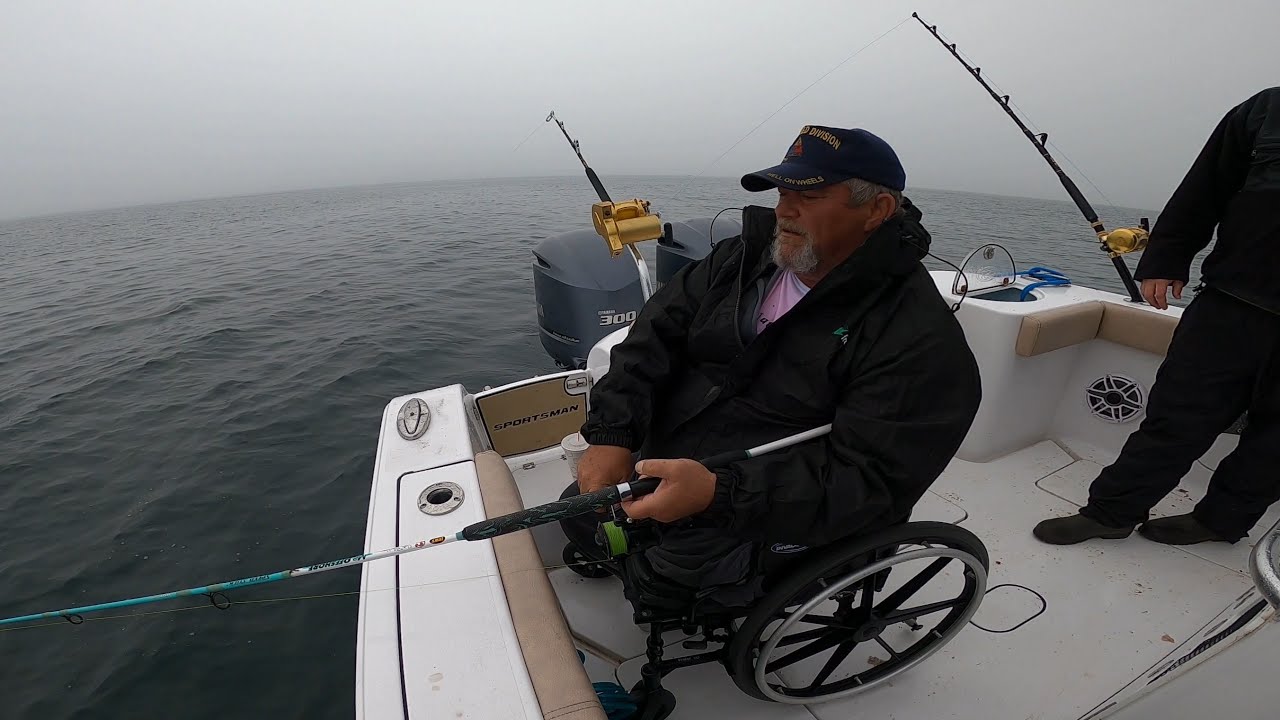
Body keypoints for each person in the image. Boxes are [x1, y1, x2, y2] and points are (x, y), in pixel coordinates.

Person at [558, 125, 983, 605]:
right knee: (576, 510)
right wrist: (613, 435)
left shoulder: (918, 338)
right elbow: (650, 340)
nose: (784, 210)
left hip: (759, 506)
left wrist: (716, 494)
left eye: (811, 196)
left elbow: (870, 480)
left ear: (877, 211)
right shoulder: (739, 258)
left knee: (667, 571)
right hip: (666, 456)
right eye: (783, 192)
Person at [1034, 87, 1280, 546]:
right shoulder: (1268, 110)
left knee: (1275, 446)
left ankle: (1220, 522)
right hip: (1232, 304)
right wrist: (1165, 258)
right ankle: (1112, 512)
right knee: (1175, 416)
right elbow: (1205, 188)